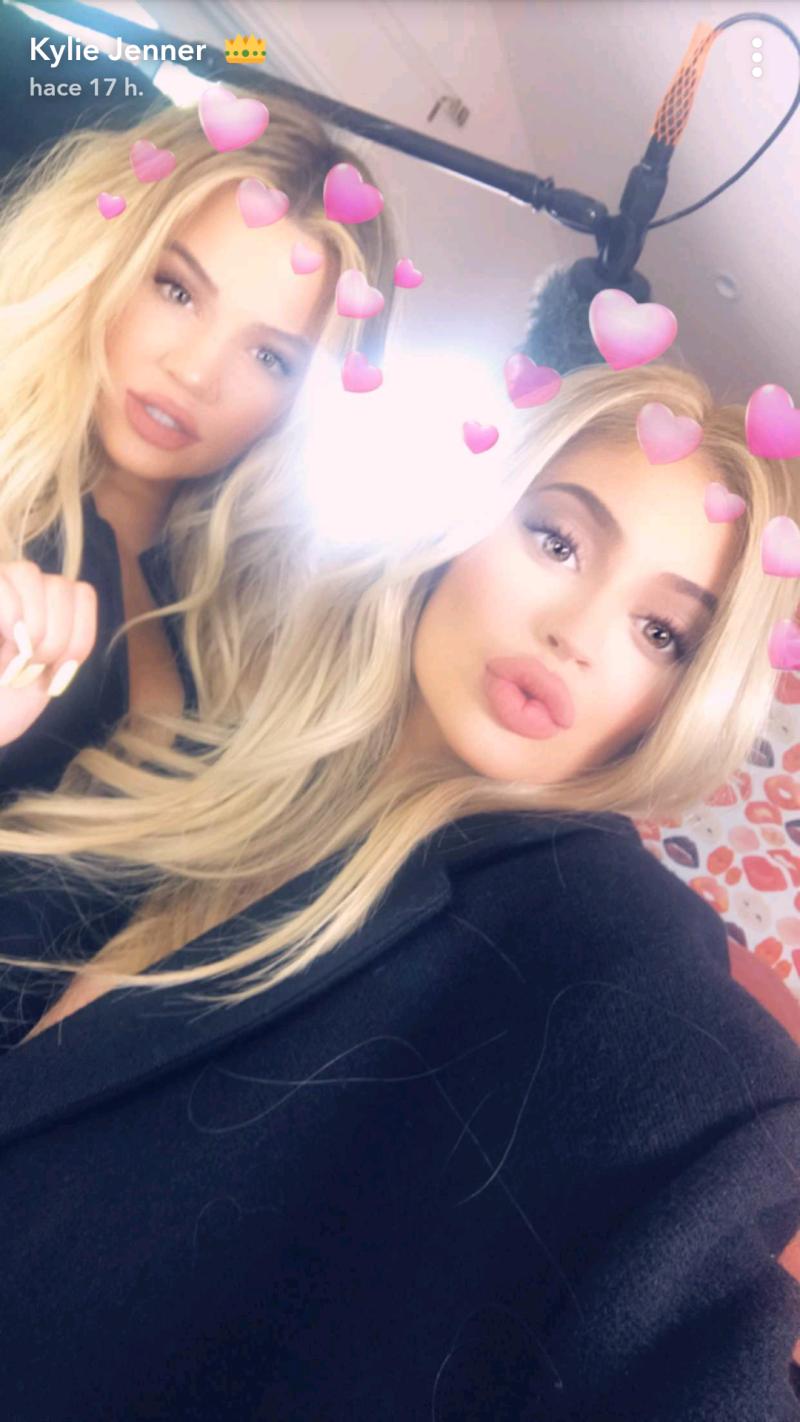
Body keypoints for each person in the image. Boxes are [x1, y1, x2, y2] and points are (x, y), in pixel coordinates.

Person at [0, 360, 798, 1421]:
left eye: (662, 634)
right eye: (557, 541)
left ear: (683, 701)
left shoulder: (607, 952)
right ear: (463, 521)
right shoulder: (214, 783)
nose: (576, 630)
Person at [0, 84, 396, 796]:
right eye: (177, 290)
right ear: (108, 255)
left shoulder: (252, 626)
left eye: (270, 357)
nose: (194, 372)